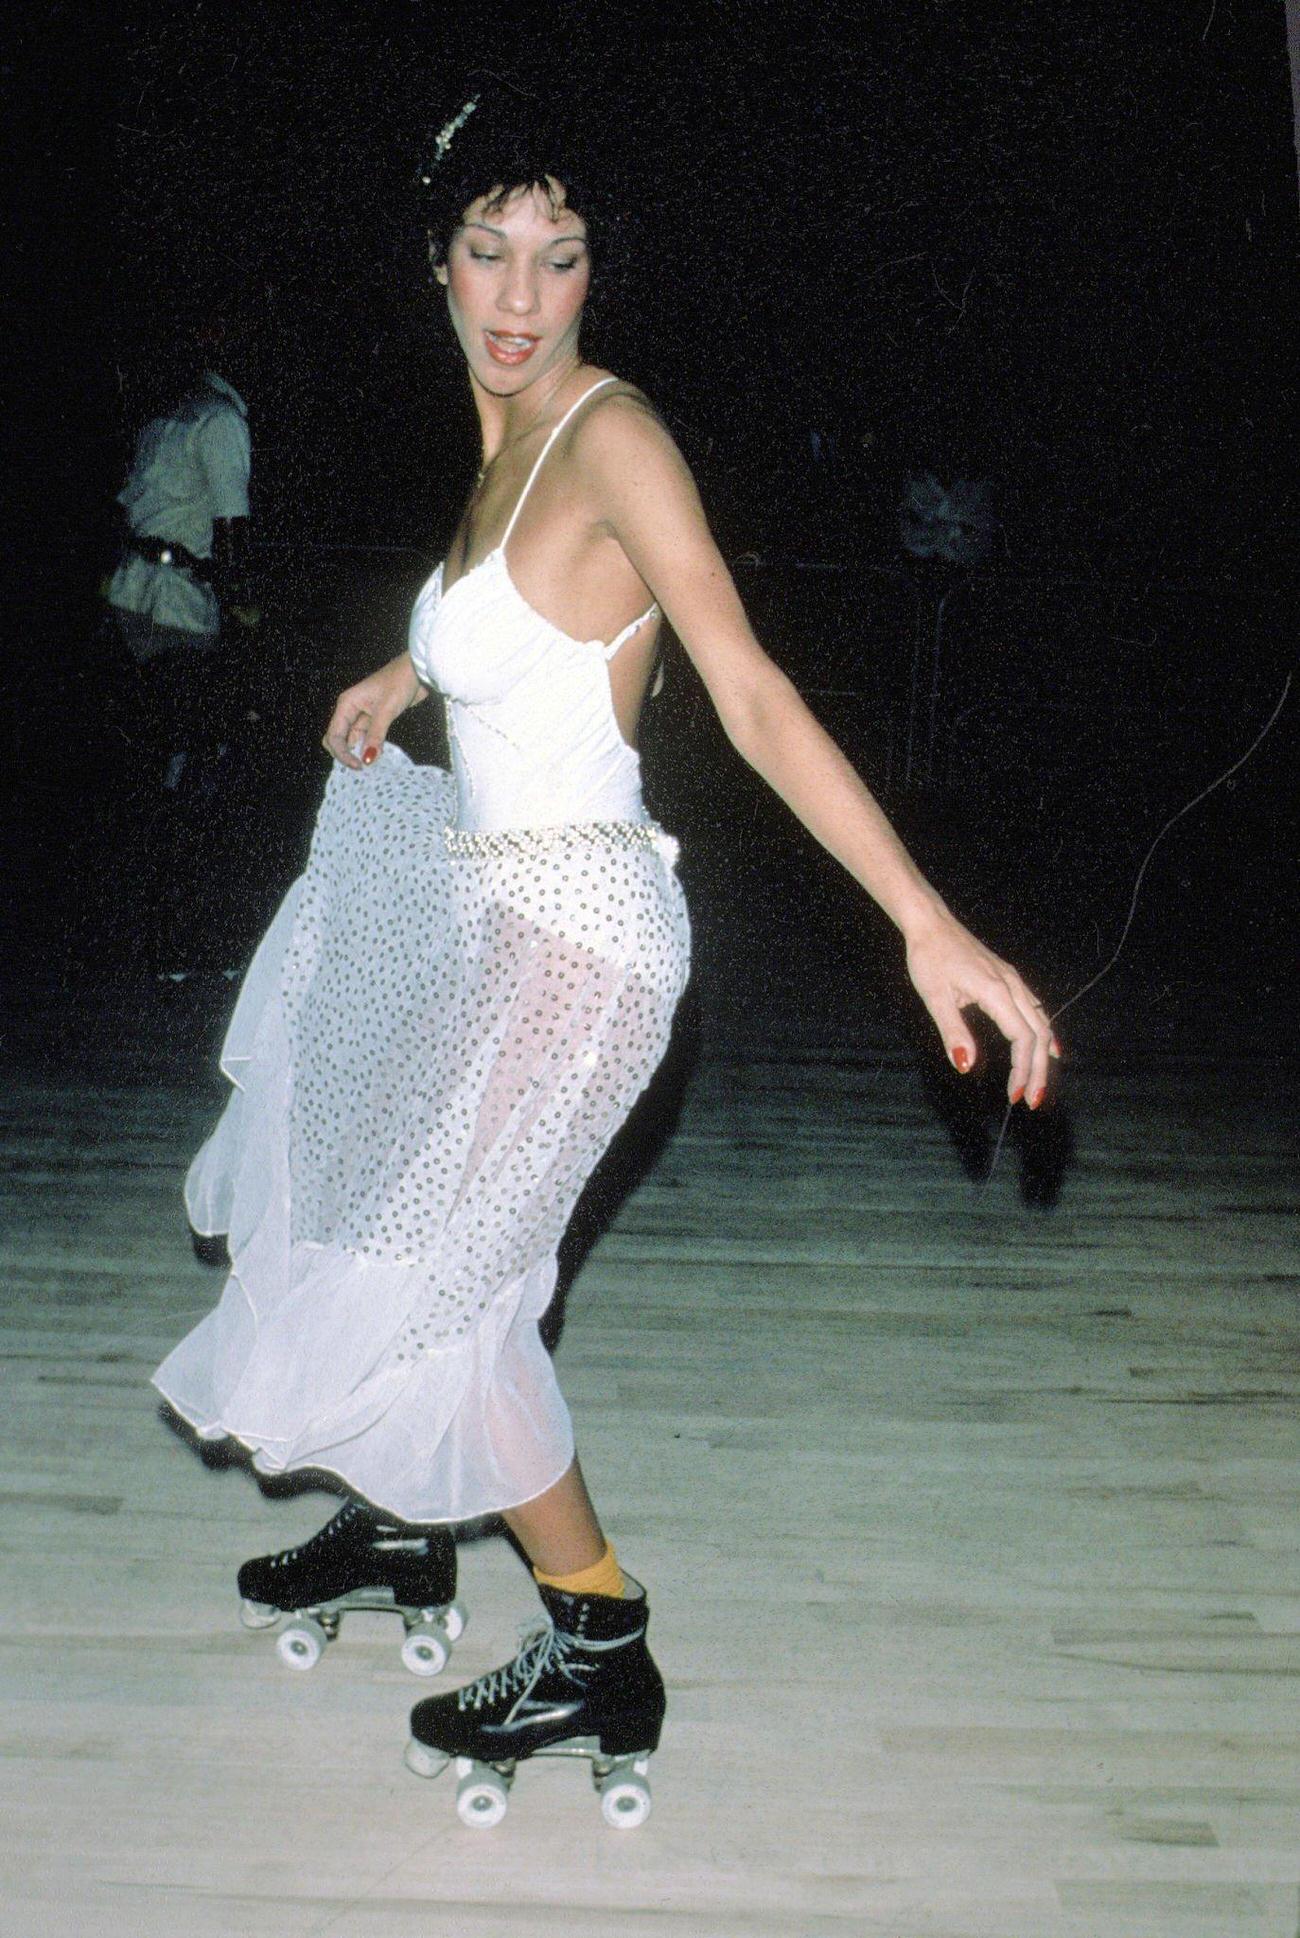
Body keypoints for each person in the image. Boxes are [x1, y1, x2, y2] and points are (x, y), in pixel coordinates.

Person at [152, 90, 1058, 1828]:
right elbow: (523, 612)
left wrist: (926, 921)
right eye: (490, 251)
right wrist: (408, 677)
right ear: (436, 262)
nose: (521, 291)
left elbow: (752, 690)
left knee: (454, 1296)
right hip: (493, 902)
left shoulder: (611, 435)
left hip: (576, 943)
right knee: (363, 1204)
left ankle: (595, 1632)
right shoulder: (503, 434)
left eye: (559, 259)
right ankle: (413, 1527)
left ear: (593, 277)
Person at [105, 328, 256, 795]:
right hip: (175, 607)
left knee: (154, 731)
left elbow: (126, 507)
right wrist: (238, 608)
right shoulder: (221, 421)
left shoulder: (168, 417)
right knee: (195, 731)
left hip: (129, 592)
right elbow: (231, 524)